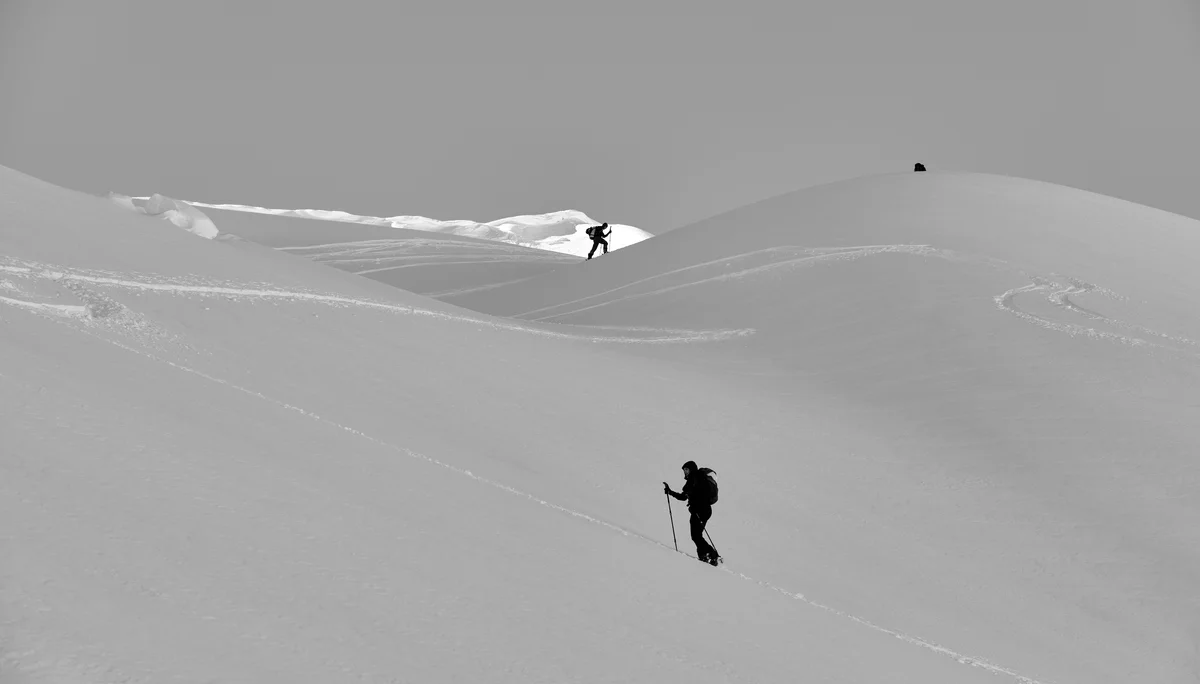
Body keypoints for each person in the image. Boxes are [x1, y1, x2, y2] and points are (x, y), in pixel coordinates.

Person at [664, 460, 720, 565]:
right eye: (684, 470)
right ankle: (705, 555)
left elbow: (701, 494)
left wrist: (696, 505)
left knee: (696, 535)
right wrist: (670, 492)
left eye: (686, 469)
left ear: (691, 469)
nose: (685, 472)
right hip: (701, 510)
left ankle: (711, 555)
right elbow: (683, 497)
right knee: (696, 535)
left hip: (701, 510)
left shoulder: (697, 478)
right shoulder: (691, 481)